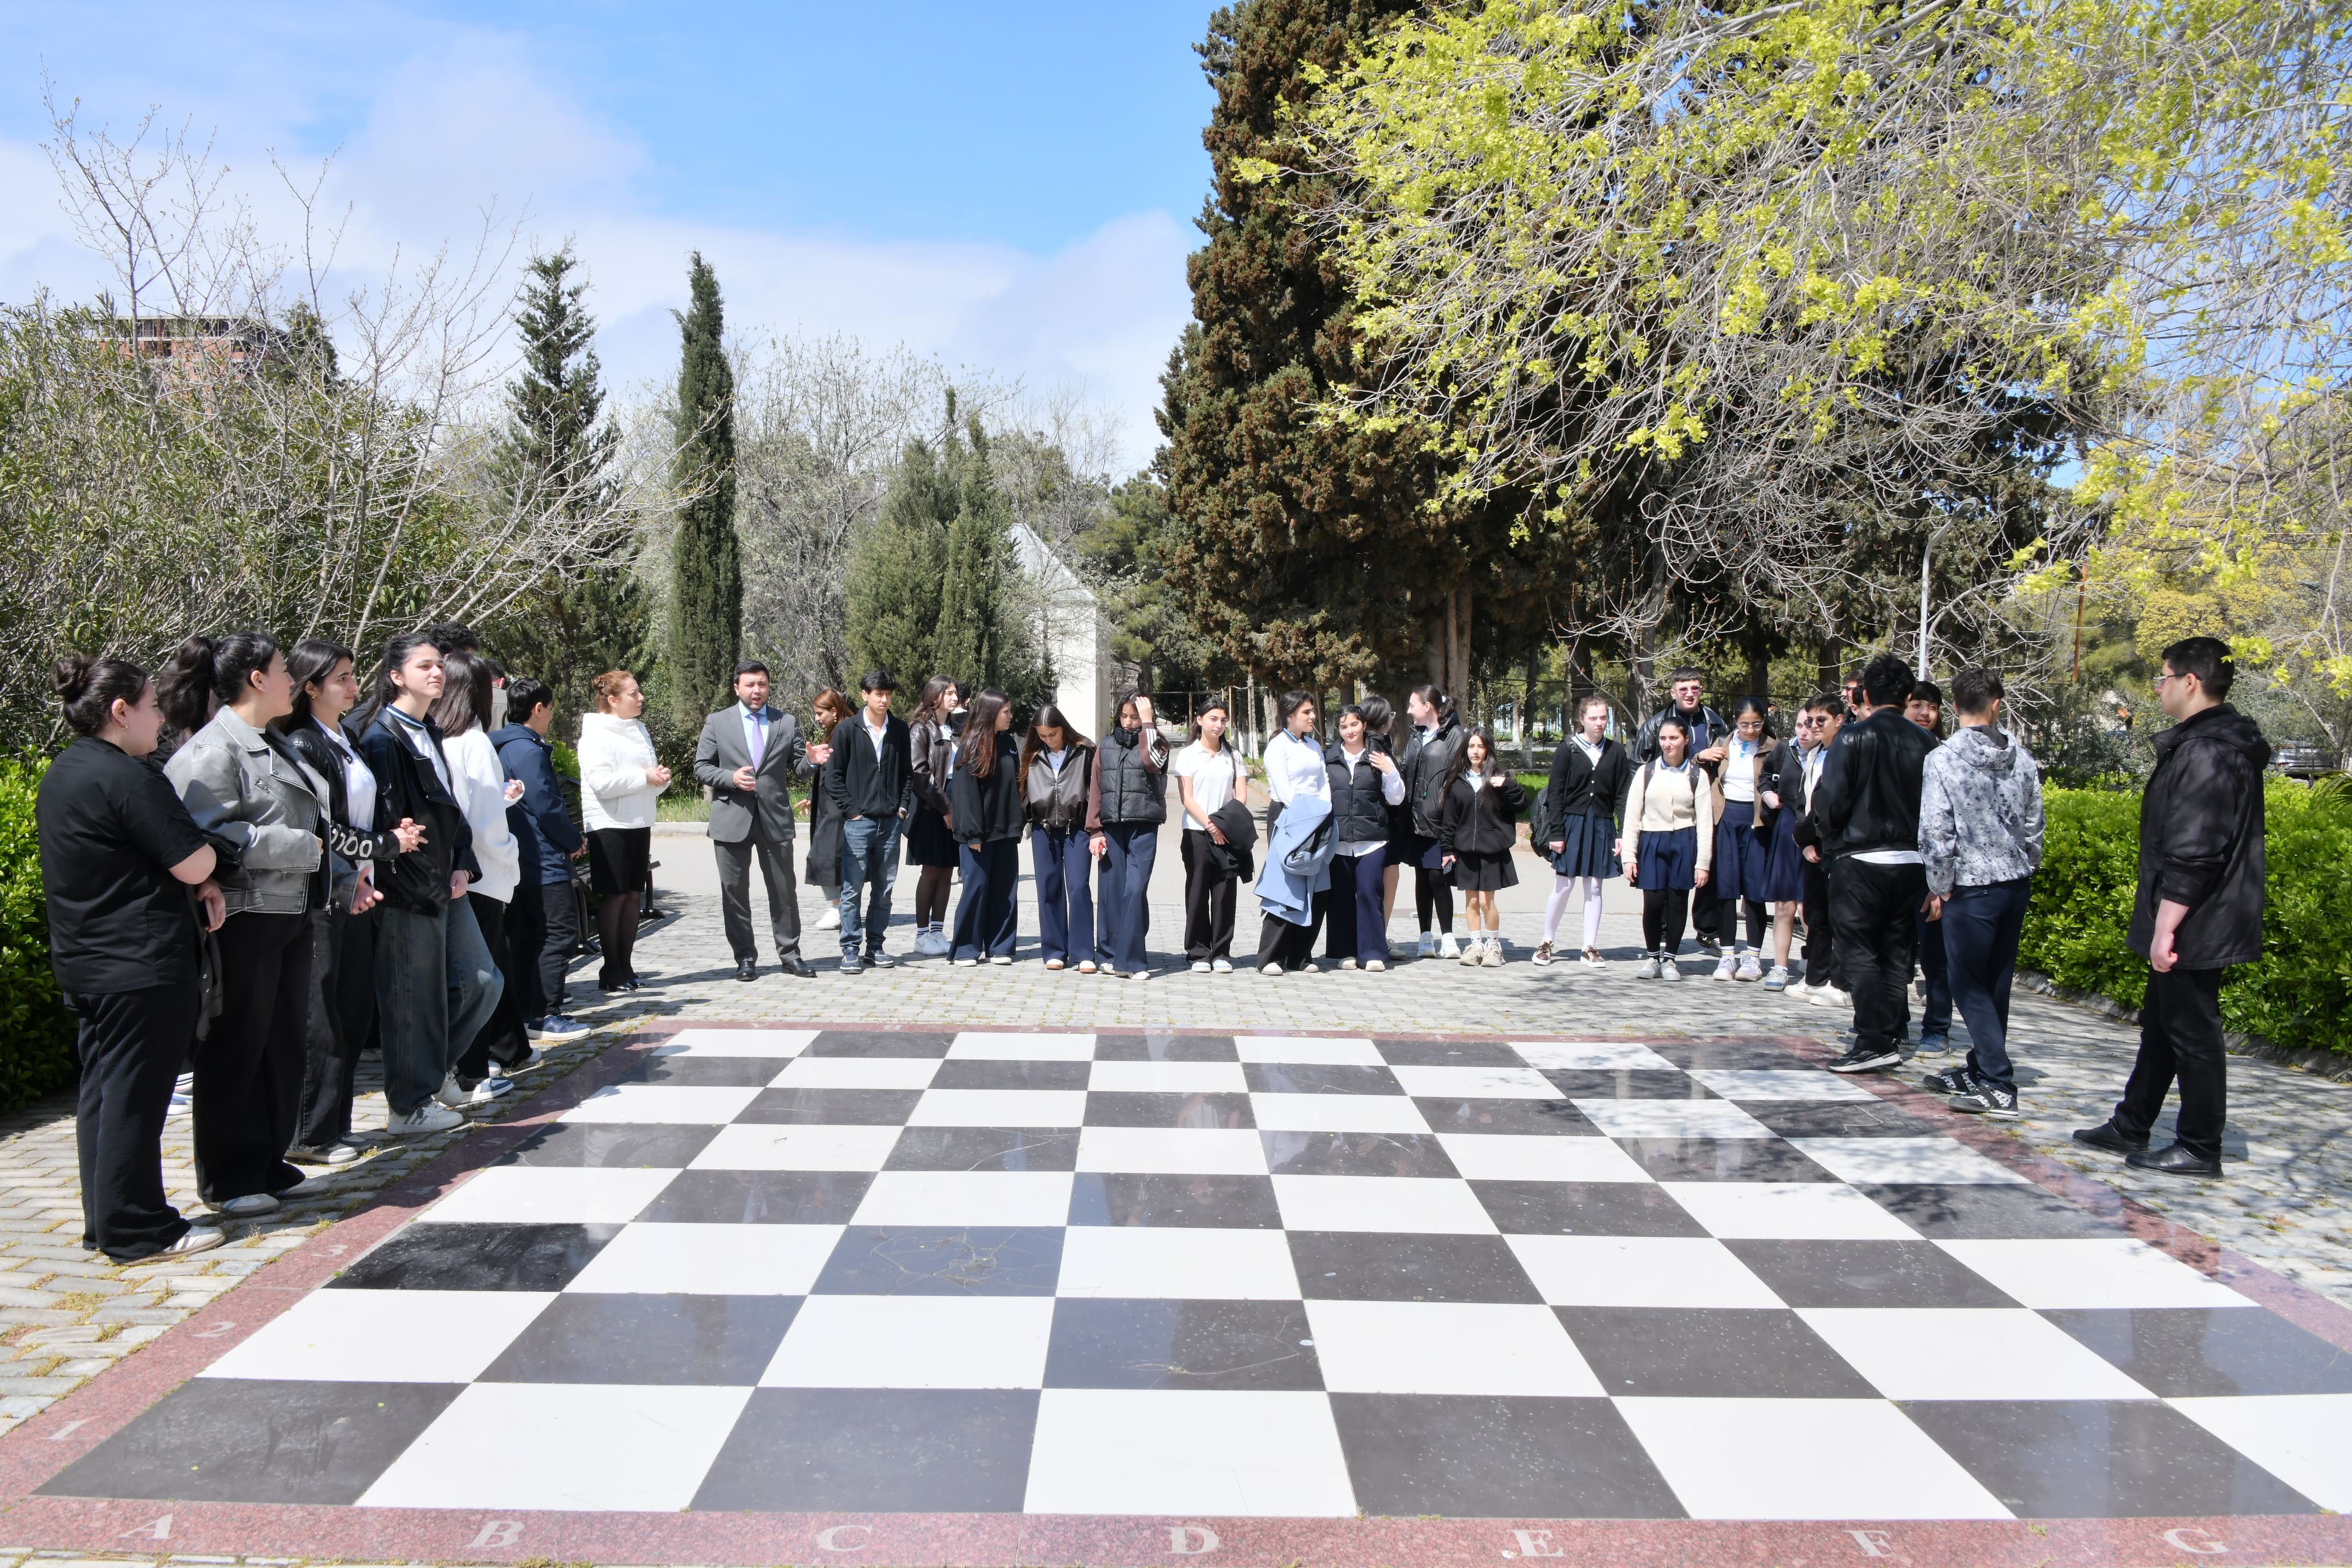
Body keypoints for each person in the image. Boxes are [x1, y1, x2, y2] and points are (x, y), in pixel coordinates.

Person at [38, 655, 227, 1262]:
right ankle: (138, 1228)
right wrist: (209, 871)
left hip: (88, 959)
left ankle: (106, 1220)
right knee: (134, 1097)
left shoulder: (66, 770)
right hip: (140, 962)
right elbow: (194, 861)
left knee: (103, 1093)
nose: (161, 717)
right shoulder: (129, 777)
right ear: (120, 711)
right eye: (151, 706)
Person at [2075, 638, 2269, 1178]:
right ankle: (2132, 1122)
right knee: (2162, 1022)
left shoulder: (2208, 752)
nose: (2158, 687)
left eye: (2162, 677)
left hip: (2198, 917)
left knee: (2193, 1030)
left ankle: (2200, 1146)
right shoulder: (2208, 744)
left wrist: (2166, 928)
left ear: (2190, 681)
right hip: (2196, 912)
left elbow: (2195, 849)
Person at [160, 633, 330, 1219]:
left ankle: (267, 1160)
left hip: (290, 910)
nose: (292, 680)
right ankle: (229, 1177)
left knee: (280, 1043)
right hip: (244, 915)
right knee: (238, 1044)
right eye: (284, 669)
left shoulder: (273, 740)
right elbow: (204, 835)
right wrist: (299, 847)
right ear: (257, 679)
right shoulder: (211, 751)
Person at [353, 633, 503, 1136]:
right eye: (424, 666)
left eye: (439, 665)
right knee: (411, 999)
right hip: (407, 890)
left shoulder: (430, 729)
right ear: (396, 676)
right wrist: (420, 878)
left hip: (446, 882)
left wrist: (462, 862)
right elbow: (390, 824)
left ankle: (433, 1070)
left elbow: (448, 810)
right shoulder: (382, 738)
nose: (437, 673)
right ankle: (409, 1105)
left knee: (483, 982)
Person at [277, 639, 418, 1166]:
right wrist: (384, 844)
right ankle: (309, 1133)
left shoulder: (345, 737)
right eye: (341, 678)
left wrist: (390, 835)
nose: (353, 686)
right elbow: (324, 827)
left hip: (360, 889)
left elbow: (361, 812)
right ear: (311, 687)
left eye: (353, 676)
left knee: (354, 1011)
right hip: (325, 895)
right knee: (321, 1016)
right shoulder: (303, 743)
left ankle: (336, 1125)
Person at [1917, 667, 2045, 1120]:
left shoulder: (1943, 759)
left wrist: (1939, 886)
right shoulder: (2021, 758)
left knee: (1968, 984)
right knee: (1995, 983)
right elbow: (2034, 823)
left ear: (1954, 707)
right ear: (1997, 705)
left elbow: (1936, 831)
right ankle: (1980, 1066)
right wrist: (2026, 863)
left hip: (1970, 887)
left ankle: (1998, 1081)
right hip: (2014, 883)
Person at [1810, 654, 1937, 1073]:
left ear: (1865, 695)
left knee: (1857, 948)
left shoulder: (1852, 738)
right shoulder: (1928, 744)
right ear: (1907, 695)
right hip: (1912, 860)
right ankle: (1893, 1030)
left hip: (1861, 857)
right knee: (1897, 949)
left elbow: (1832, 800)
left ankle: (1873, 1039)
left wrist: (1826, 836)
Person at [434, 650, 532, 1096]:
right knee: (479, 976)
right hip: (483, 872)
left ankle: (474, 1063)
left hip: (457, 868)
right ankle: (470, 1070)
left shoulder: (439, 738)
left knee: (469, 974)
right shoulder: (474, 742)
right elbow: (487, 823)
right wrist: (509, 855)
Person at [695, 661, 824, 981]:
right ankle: (745, 958)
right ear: (737, 688)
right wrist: (730, 778)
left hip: (774, 819)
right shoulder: (718, 722)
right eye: (750, 685)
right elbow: (702, 767)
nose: (757, 691)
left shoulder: (786, 722)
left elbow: (799, 768)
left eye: (762, 684)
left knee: (784, 891)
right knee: (734, 893)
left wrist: (811, 761)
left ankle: (790, 955)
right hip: (731, 819)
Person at [491, 678, 590, 1041]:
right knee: (558, 932)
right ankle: (545, 1013)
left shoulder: (501, 745)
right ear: (538, 709)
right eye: (549, 708)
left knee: (527, 935)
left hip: (518, 856)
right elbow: (546, 807)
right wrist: (572, 840)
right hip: (542, 858)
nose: (550, 715)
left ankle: (527, 1011)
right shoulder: (528, 750)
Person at [576, 669, 670, 993]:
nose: (641, 698)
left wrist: (659, 779)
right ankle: (611, 969)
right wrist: (645, 777)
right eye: (633, 694)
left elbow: (648, 777)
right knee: (615, 895)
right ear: (613, 700)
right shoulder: (596, 734)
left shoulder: (639, 729)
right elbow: (602, 784)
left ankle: (626, 967)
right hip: (609, 824)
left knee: (633, 895)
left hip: (639, 821)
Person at [825, 669, 914, 973]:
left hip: (890, 822)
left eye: (888, 694)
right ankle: (850, 948)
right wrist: (852, 811)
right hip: (858, 823)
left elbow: (907, 774)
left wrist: (902, 808)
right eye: (879, 694)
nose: (884, 700)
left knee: (884, 890)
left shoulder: (899, 729)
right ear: (865, 695)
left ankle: (875, 946)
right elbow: (833, 777)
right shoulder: (847, 729)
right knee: (852, 889)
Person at [1638, 668, 1732, 954]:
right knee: (1665, 882)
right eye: (1684, 689)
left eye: (1695, 688)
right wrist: (1697, 757)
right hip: (1665, 807)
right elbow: (1640, 764)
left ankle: (1707, 929)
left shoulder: (1714, 721)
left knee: (1707, 866)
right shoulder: (1656, 724)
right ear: (1673, 693)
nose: (1690, 694)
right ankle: (1664, 936)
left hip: (1708, 799)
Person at [1538, 697, 1631, 968]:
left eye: (1603, 718)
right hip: (1572, 824)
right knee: (1564, 884)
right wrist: (1557, 832)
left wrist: (1623, 832)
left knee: (1595, 885)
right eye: (1593, 718)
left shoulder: (1616, 751)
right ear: (1582, 720)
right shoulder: (1568, 748)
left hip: (1602, 824)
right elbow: (1555, 793)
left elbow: (1622, 795)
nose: (1599, 723)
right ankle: (1546, 942)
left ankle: (1589, 947)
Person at [1622, 716, 1714, 979]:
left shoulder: (1697, 775)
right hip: (1652, 840)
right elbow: (1632, 816)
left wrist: (1703, 863)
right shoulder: (1646, 772)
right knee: (1653, 903)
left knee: (1677, 903)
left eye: (1674, 738)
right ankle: (1652, 957)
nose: (1668, 744)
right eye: (1663, 738)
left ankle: (1670, 959)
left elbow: (1705, 822)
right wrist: (1629, 857)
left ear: (1686, 740)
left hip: (1684, 841)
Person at [1090, 690, 1168, 978]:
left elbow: (1152, 763)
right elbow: (1095, 788)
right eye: (1124, 716)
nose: (1128, 722)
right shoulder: (1106, 745)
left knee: (1135, 890)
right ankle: (1109, 954)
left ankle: (1132, 961)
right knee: (1112, 893)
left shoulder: (1158, 743)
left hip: (1144, 826)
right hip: (1112, 828)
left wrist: (1148, 724)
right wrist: (1095, 830)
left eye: (1135, 717)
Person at [1326, 704, 1406, 971]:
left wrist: (1390, 771)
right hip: (1338, 842)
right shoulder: (1329, 759)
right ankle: (1345, 952)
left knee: (1370, 893)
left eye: (1354, 725)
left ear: (1364, 725)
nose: (1350, 731)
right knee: (1341, 898)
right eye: (1344, 726)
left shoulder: (1378, 757)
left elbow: (1396, 799)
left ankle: (1373, 953)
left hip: (1372, 840)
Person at [1255, 692, 1331, 974]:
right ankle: (1271, 958)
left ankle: (1300, 955)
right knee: (1286, 887)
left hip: (1318, 817)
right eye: (1306, 712)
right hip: (1290, 818)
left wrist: (1323, 810)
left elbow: (1323, 782)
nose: (1313, 716)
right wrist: (1306, 815)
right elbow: (1284, 790)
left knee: (1317, 887)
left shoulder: (1313, 745)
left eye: (1312, 711)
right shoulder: (1278, 746)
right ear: (1290, 716)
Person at [1707, 697, 1781, 982]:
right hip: (1727, 818)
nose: (1750, 730)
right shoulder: (1722, 745)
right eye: (1744, 724)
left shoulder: (1773, 747)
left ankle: (1753, 957)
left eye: (1757, 724)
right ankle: (1728, 955)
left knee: (1754, 891)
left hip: (1757, 822)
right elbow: (1701, 770)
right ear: (1735, 721)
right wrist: (1702, 756)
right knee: (1726, 889)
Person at [1438, 728, 1525, 966]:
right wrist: (1447, 850)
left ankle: (1493, 946)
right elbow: (1449, 820)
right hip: (1465, 851)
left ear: (1488, 750)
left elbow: (1521, 804)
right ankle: (1476, 945)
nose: (1475, 752)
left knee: (1487, 902)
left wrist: (1508, 785)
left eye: (1481, 746)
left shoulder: (1499, 777)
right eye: (1471, 746)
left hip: (1492, 851)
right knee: (1472, 902)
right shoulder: (1457, 780)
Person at [948, 690, 1023, 965]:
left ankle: (1000, 946)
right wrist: (973, 834)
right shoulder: (970, 745)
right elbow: (965, 795)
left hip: (1006, 830)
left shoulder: (1008, 743)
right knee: (976, 889)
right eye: (1006, 712)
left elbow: (1015, 784)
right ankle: (966, 948)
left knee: (1005, 890)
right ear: (991, 714)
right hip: (977, 834)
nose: (1011, 716)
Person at [1173, 698, 1248, 973]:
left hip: (1227, 833)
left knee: (1225, 892)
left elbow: (1241, 795)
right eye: (1213, 719)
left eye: (1223, 720)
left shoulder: (1234, 756)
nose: (1219, 725)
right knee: (1197, 892)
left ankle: (1221, 953)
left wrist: (1224, 825)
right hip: (1197, 832)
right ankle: (1198, 953)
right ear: (1200, 720)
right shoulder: (1188, 755)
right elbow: (1187, 797)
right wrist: (1210, 825)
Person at [1024, 704, 1099, 973]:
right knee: (1048, 888)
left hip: (1076, 828)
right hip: (1042, 829)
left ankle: (1083, 952)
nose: (1048, 740)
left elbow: (1094, 789)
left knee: (1078, 887)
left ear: (1063, 728)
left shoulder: (1085, 751)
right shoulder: (1033, 755)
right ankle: (1055, 950)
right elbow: (1023, 788)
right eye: (1042, 735)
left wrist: (1095, 827)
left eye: (1052, 734)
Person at [1902, 679, 1954, 1051]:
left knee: (1936, 954)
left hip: (1931, 868)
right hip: (1894, 863)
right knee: (1894, 949)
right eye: (1917, 705)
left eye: (1932, 707)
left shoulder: (1946, 754)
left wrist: (1940, 880)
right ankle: (1894, 1021)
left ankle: (1937, 1028)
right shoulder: (1886, 748)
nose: (1925, 713)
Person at [1399, 687, 1464, 958]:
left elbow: (1458, 775)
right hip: (1414, 819)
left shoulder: (1453, 735)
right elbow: (1405, 768)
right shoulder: (1416, 736)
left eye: (1412, 705)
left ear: (1428, 706)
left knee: (1439, 876)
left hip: (1440, 818)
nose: (1409, 711)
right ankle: (1425, 937)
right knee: (1422, 877)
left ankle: (1448, 937)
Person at [905, 675, 962, 956]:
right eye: (948, 693)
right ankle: (921, 934)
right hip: (932, 807)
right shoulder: (921, 729)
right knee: (931, 870)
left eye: (955, 693)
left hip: (955, 802)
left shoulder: (955, 728)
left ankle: (938, 931)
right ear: (934, 696)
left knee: (947, 869)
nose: (954, 697)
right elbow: (920, 774)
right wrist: (946, 809)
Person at [803, 688, 849, 928]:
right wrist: (811, 796)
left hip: (839, 808)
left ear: (834, 711)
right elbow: (825, 772)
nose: (817, 718)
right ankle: (839, 906)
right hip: (826, 806)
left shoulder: (846, 733)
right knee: (827, 856)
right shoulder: (832, 734)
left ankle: (837, 908)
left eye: (820, 713)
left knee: (826, 856)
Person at [1363, 697, 1409, 934]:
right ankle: (1379, 934)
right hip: (1384, 824)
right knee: (1387, 880)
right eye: (1390, 714)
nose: (1393, 717)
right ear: (1381, 719)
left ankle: (1379, 933)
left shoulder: (1374, 744)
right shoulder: (1375, 747)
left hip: (1383, 824)